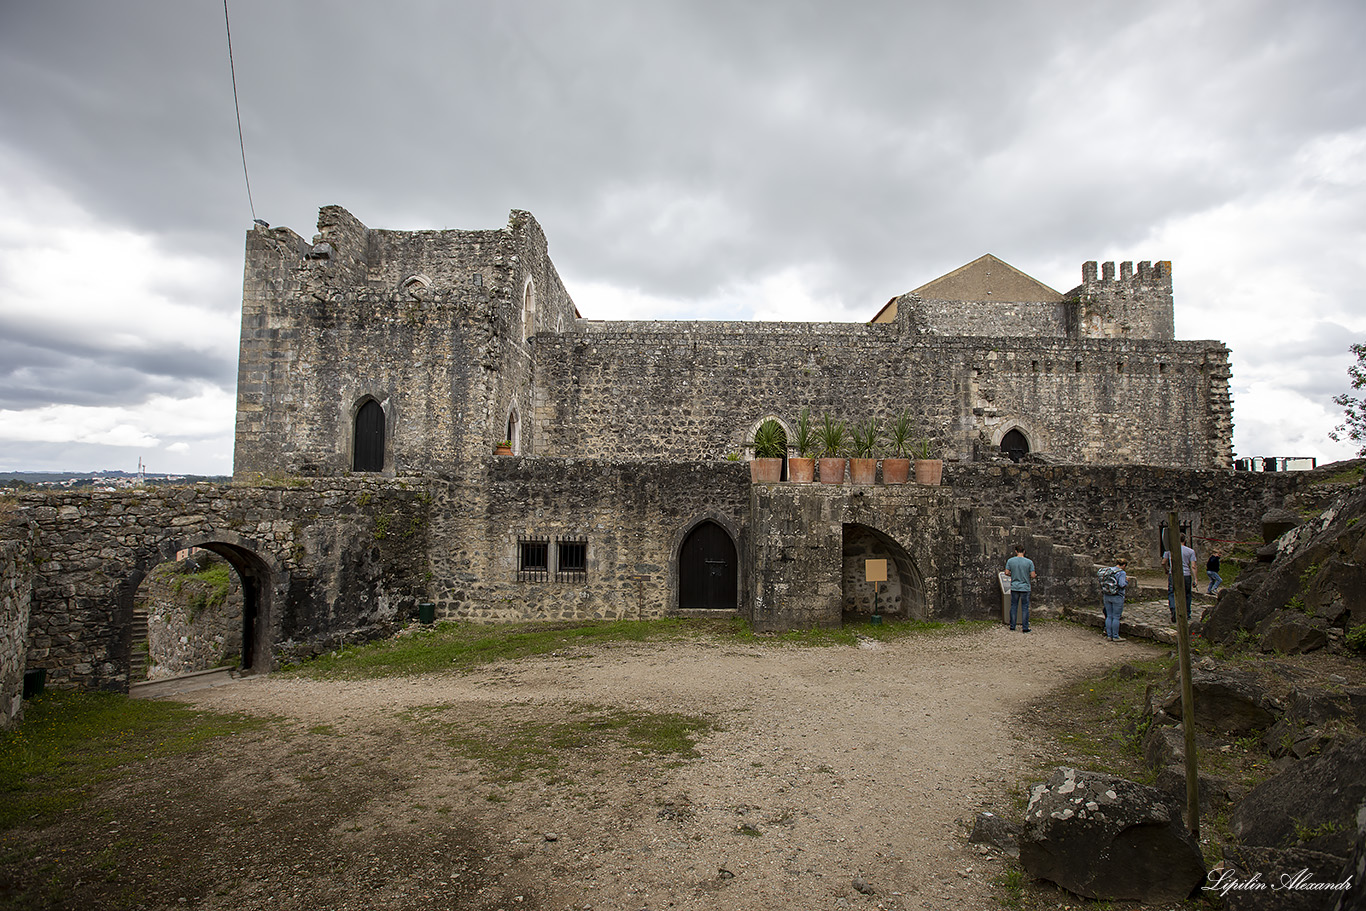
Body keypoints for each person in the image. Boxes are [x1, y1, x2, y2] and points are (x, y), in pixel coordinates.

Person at [1162, 534, 1198, 623]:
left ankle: (1174, 609)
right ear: (1184, 540)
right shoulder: (1190, 551)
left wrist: (1166, 569)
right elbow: (1193, 566)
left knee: (1172, 592)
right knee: (1187, 594)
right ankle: (1187, 613)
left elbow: (1163, 562)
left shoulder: (1169, 550)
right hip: (1186, 574)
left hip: (1173, 573)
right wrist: (1195, 579)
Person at [1006, 545, 1037, 632]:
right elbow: (1033, 575)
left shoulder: (1010, 561)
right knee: (1024, 607)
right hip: (1025, 587)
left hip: (1015, 586)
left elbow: (1006, 572)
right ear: (1024, 551)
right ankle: (1025, 627)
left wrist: (1013, 575)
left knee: (1013, 606)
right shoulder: (1029, 562)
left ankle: (1012, 626)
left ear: (1016, 551)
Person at [1100, 558, 1128, 641]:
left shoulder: (1109, 570)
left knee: (1109, 616)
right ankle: (1115, 636)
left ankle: (1109, 635)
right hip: (1117, 596)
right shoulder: (1121, 573)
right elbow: (1121, 584)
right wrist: (1126, 581)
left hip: (1107, 595)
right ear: (1124, 565)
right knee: (1116, 617)